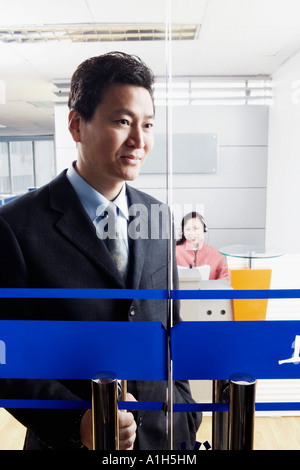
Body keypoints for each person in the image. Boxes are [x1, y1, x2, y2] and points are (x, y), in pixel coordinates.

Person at [0, 52, 201, 450]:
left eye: (148, 125)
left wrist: (186, 410)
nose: (139, 141)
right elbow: (7, 355)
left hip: (161, 438)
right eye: (122, 121)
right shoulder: (16, 225)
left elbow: (170, 324)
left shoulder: (156, 214)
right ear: (76, 125)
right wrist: (77, 421)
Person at [176, 212, 229, 280]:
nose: (192, 233)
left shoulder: (214, 253)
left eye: (196, 228)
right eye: (188, 229)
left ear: (204, 229)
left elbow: (226, 277)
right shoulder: (174, 253)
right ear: (183, 232)